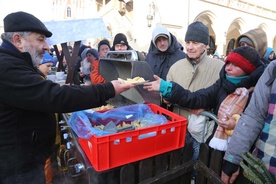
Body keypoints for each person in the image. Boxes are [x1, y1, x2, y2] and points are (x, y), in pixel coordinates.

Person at [0, 11, 134, 183]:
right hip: (17, 169)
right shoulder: (6, 67)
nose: (47, 46)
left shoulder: (15, 61)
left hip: (26, 161)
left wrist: (57, 89)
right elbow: (54, 97)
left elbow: (40, 92)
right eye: (40, 39)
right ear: (18, 40)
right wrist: (108, 89)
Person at [144, 46, 265, 162]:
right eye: (228, 63)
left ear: (248, 69)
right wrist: (167, 88)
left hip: (245, 156)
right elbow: (196, 98)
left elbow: (259, 120)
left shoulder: (260, 90)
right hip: (216, 149)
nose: (228, 68)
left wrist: (237, 123)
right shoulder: (222, 84)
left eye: (235, 65)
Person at [221, 60, 276, 184]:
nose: (228, 68)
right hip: (261, 171)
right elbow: (254, 115)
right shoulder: (274, 69)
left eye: (235, 64)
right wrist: (233, 158)